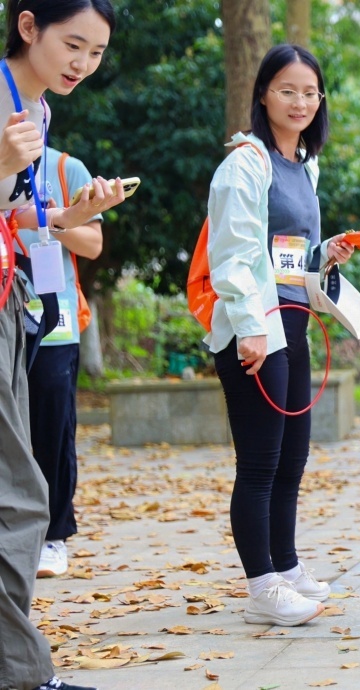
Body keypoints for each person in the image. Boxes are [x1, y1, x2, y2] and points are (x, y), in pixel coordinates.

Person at [206, 44, 357, 627]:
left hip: (294, 322)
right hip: (256, 330)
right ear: (263, 94)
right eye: (287, 90)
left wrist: (325, 252)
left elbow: (285, 255)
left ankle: (287, 567)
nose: (300, 101)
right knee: (259, 463)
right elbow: (233, 255)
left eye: (310, 92)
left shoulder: (304, 165)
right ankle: (262, 587)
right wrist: (250, 329)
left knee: (293, 457)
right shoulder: (245, 164)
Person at [0, 3, 123, 689]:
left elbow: (11, 212)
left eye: (96, 53)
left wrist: (65, 215)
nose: (83, 63)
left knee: (21, 496)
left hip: (13, 302)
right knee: (21, 500)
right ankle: (22, 674)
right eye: (73, 44)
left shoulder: (38, 109)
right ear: (28, 27)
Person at [16, 146, 103, 579]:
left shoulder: (68, 168)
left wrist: (56, 219)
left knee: (53, 425)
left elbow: (93, 244)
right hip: (7, 310)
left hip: (55, 318)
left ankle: (54, 535)